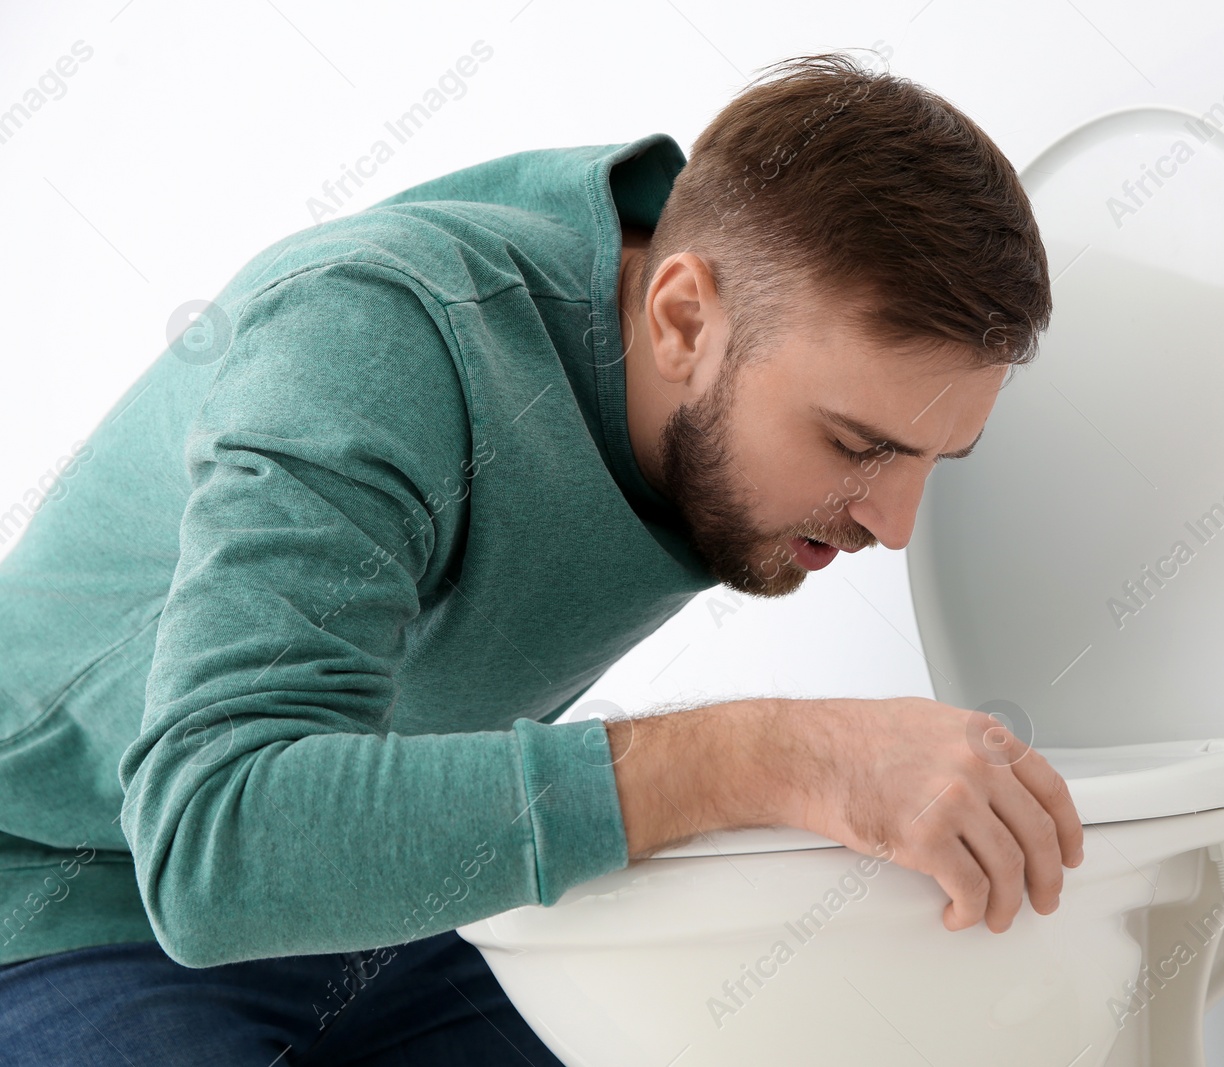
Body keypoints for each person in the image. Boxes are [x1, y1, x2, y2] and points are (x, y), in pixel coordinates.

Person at [0, 51, 1083, 1063]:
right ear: (681, 318)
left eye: (936, 458)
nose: (892, 523)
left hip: (373, 908)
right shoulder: (368, 339)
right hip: (62, 895)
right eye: (854, 445)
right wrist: (778, 753)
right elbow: (215, 842)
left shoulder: (721, 323)